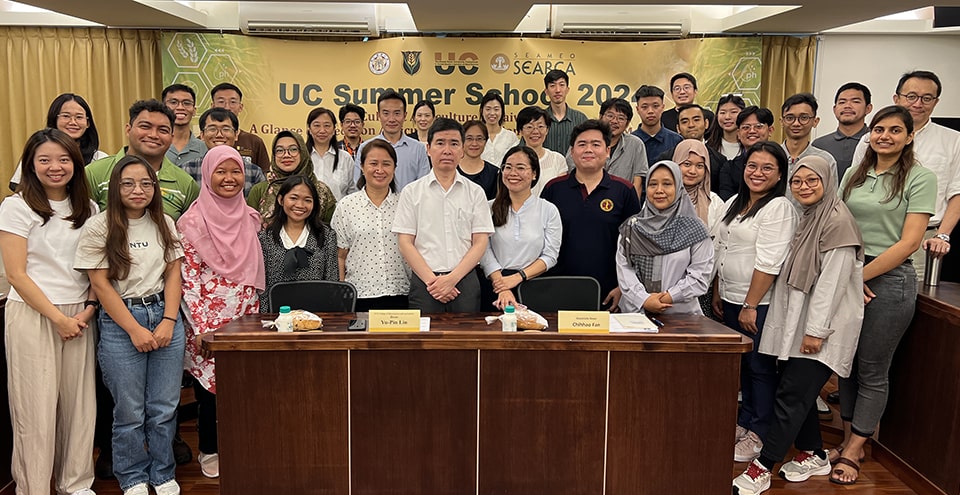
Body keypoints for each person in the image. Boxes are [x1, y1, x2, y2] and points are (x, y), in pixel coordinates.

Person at [732, 155, 864, 495]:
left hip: (823, 328)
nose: (803, 187)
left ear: (828, 181)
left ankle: (762, 468)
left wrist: (815, 332)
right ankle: (815, 454)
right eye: (798, 181)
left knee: (792, 394)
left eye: (812, 181)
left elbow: (832, 285)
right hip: (800, 323)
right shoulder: (807, 217)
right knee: (796, 392)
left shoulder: (837, 221)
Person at [831, 105, 936, 485]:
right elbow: (836, 221)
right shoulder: (853, 174)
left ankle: (856, 449)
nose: (884, 136)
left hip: (890, 279)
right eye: (879, 130)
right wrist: (847, 275)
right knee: (845, 362)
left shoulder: (920, 178)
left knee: (873, 369)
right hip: (849, 271)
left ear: (909, 136)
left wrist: (858, 277)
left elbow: (909, 243)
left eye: (895, 130)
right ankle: (845, 441)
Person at [75, 155, 185, 495]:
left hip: (164, 315)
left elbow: (173, 272)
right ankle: (133, 476)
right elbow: (101, 283)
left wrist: (168, 319)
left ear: (155, 188)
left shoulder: (164, 222)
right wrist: (134, 329)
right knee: (129, 410)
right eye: (128, 183)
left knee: (164, 407)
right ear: (114, 189)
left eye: (146, 183)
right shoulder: (99, 226)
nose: (138, 190)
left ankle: (163, 473)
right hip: (122, 321)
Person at [0, 128, 98, 495]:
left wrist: (86, 311)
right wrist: (58, 319)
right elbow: (16, 274)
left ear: (76, 162)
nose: (55, 167)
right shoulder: (16, 206)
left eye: (63, 159)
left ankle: (76, 483)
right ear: (30, 165)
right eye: (44, 160)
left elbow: (94, 266)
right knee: (35, 407)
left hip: (79, 315)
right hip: (32, 312)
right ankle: (35, 487)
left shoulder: (88, 208)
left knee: (79, 405)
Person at [178, 145, 266, 480]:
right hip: (208, 323)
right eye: (221, 171)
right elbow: (188, 280)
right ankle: (210, 448)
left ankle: (240, 443)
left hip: (246, 319)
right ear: (207, 175)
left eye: (235, 172)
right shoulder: (191, 222)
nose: (229, 179)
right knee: (209, 394)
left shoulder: (250, 217)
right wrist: (201, 326)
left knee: (242, 388)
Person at [712, 141, 798, 463]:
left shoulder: (778, 208)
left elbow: (769, 261)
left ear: (779, 176)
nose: (757, 173)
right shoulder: (735, 202)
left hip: (758, 304)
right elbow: (722, 249)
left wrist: (750, 304)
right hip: (732, 298)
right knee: (744, 366)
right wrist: (719, 291)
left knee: (761, 367)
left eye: (767, 168)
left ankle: (760, 433)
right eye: (752, 166)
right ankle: (746, 421)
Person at [851, 71, 960, 277]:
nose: (918, 103)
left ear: (935, 102)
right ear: (896, 98)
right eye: (911, 96)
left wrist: (942, 236)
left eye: (926, 98)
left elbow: (957, 192)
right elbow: (855, 184)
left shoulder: (954, 141)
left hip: (921, 241)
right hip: (865, 238)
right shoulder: (869, 140)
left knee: (906, 299)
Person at [392, 118, 494, 312]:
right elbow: (405, 242)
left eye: (454, 143)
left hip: (464, 281)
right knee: (424, 342)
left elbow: (480, 241)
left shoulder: (475, 192)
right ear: (428, 148)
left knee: (465, 341)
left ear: (462, 150)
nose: (447, 150)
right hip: (425, 283)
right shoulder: (412, 192)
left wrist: (452, 279)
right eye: (440, 143)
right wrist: (434, 282)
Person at [542, 120, 642, 311]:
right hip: (557, 287)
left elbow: (635, 246)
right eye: (582, 144)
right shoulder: (553, 189)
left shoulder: (624, 190)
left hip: (609, 292)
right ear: (572, 152)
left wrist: (624, 286)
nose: (589, 149)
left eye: (596, 144)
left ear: (608, 152)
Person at [616, 160, 713, 315]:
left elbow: (700, 277)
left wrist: (667, 298)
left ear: (679, 188)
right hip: (636, 315)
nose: (659, 190)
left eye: (667, 184)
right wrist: (644, 300)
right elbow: (625, 271)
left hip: (681, 316)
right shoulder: (631, 228)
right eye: (653, 184)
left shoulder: (695, 229)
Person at [86, 99, 200, 220]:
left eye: (163, 130)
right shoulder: (94, 173)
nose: (153, 135)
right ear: (128, 130)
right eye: (145, 127)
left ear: (171, 138)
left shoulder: (186, 184)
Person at [479, 145, 562, 310]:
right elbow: (483, 251)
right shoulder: (488, 208)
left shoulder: (548, 210)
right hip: (494, 285)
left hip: (534, 285)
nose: (513, 173)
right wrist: (502, 285)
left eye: (521, 168)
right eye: (508, 167)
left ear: (534, 174)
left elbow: (550, 255)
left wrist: (518, 277)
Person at [331, 140, 410, 311]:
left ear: (395, 168)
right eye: (373, 163)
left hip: (403, 293)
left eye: (386, 164)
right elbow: (340, 256)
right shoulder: (346, 206)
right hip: (359, 295)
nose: (380, 170)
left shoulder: (406, 204)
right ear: (361, 166)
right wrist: (342, 292)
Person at [258, 176, 338, 309]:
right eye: (293, 198)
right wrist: (267, 319)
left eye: (307, 200)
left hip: (316, 316)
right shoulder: (265, 238)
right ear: (281, 200)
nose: (300, 205)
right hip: (278, 317)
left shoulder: (326, 236)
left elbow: (331, 281)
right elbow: (263, 287)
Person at [9, 93, 108, 190]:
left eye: (79, 117)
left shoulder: (100, 158)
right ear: (54, 119)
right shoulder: (37, 152)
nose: (73, 122)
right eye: (66, 116)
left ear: (88, 123)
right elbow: (19, 187)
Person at [674, 139, 725, 317]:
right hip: (663, 288)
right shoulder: (659, 197)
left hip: (701, 288)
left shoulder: (715, 203)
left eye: (700, 166)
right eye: (686, 164)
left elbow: (718, 248)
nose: (693, 171)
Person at [248, 130, 336, 224]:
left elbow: (330, 230)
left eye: (293, 149)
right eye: (280, 150)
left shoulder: (321, 191)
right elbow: (250, 230)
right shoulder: (260, 190)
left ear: (302, 152)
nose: (286, 155)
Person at [352, 90, 431, 192]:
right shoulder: (365, 147)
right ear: (378, 115)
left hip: (409, 207)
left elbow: (424, 186)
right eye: (386, 113)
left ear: (405, 115)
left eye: (397, 113)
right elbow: (358, 186)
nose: (391, 119)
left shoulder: (418, 148)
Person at [180, 108, 266, 198]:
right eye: (212, 129)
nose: (219, 135)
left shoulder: (254, 172)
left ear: (236, 135)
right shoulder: (187, 170)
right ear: (202, 135)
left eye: (226, 129)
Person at [567, 97, 648, 193]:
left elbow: (637, 184)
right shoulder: (582, 141)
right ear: (600, 117)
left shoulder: (636, 144)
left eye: (621, 118)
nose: (614, 121)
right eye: (610, 116)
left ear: (627, 124)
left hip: (620, 201)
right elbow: (570, 172)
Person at [656, 104, 726, 194]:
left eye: (696, 120)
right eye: (685, 121)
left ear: (706, 124)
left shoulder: (719, 160)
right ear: (678, 128)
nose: (691, 125)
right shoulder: (666, 158)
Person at [812, 82, 873, 182]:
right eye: (842, 102)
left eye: (855, 101)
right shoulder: (819, 145)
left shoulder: (875, 141)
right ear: (834, 109)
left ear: (868, 108)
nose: (847, 106)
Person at [779, 93, 838, 189]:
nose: (796, 123)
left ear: (815, 121)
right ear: (782, 122)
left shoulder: (825, 160)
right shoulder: (771, 156)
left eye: (804, 118)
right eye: (790, 118)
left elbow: (830, 199)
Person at [717, 106, 775, 200]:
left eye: (758, 126)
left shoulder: (780, 160)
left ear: (770, 130)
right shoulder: (729, 168)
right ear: (738, 133)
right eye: (746, 127)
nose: (752, 131)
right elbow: (727, 201)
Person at [210, 82, 270, 172]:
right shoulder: (204, 141)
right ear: (212, 106)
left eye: (233, 102)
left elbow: (264, 177)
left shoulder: (254, 142)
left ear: (241, 107)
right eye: (221, 102)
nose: (227, 107)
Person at [515, 106, 568, 197]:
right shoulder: (512, 159)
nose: (535, 131)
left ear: (547, 130)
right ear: (520, 131)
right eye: (529, 127)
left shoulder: (558, 159)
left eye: (540, 126)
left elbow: (561, 193)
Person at [306, 107, 354, 200]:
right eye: (316, 125)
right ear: (309, 129)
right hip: (305, 212)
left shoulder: (345, 158)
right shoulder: (300, 157)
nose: (322, 130)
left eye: (327, 125)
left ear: (334, 129)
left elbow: (353, 192)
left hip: (339, 213)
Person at [632, 85, 683, 167]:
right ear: (637, 109)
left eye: (655, 106)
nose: (650, 111)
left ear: (663, 107)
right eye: (644, 107)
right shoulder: (629, 142)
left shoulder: (676, 141)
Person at [542, 69, 587, 154]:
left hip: (574, 167)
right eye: (552, 85)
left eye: (562, 85)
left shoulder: (581, 119)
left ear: (567, 89)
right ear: (546, 91)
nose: (557, 90)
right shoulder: (539, 119)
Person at [162, 83, 206, 166]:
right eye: (173, 102)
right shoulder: (155, 144)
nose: (180, 107)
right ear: (163, 107)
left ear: (194, 110)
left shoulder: (205, 149)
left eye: (187, 103)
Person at [459, 120, 500, 199]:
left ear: (485, 141)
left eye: (479, 139)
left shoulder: (495, 173)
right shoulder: (451, 170)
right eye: (469, 138)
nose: (474, 143)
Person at [479, 90, 519, 165]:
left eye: (496, 109)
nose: (492, 113)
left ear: (502, 111)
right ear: (482, 111)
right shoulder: (476, 136)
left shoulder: (511, 137)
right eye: (488, 109)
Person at [707, 93, 746, 161]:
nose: (727, 117)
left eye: (733, 112)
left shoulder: (749, 146)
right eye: (722, 112)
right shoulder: (708, 147)